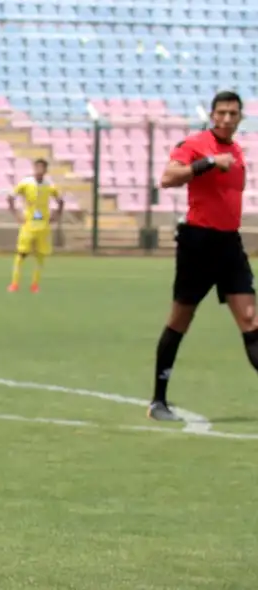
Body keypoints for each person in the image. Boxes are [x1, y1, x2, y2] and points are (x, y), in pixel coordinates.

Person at [149, 90, 249, 422]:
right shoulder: (195, 144)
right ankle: (157, 402)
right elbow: (167, 178)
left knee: (250, 319)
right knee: (181, 319)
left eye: (233, 114)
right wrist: (207, 163)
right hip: (198, 242)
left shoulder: (237, 150)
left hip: (230, 244)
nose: (226, 118)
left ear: (240, 118)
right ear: (211, 114)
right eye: (221, 112)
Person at [7, 158, 63, 293]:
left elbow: (60, 201)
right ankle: (14, 284)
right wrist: (16, 214)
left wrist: (55, 216)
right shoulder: (26, 183)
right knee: (21, 254)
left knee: (40, 256)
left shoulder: (50, 185)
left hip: (43, 226)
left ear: (45, 170)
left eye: (41, 167)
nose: (39, 170)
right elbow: (10, 197)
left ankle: (35, 285)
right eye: (37, 167)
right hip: (28, 225)